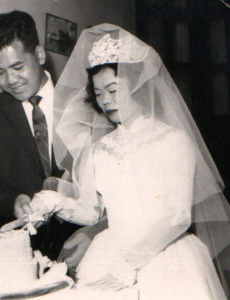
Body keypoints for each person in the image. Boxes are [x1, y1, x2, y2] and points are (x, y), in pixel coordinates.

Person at [27, 24, 230, 298]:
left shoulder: (173, 139)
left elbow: (178, 216)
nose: (107, 101)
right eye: (99, 94)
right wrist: (54, 203)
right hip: (109, 252)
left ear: (136, 84)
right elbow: (92, 211)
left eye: (113, 89)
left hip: (165, 257)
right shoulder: (102, 146)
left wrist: (129, 262)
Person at [0, 10, 81, 260]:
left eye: (17, 66)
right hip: (18, 253)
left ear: (39, 54)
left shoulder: (82, 103)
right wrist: (13, 200)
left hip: (84, 244)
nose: (10, 80)